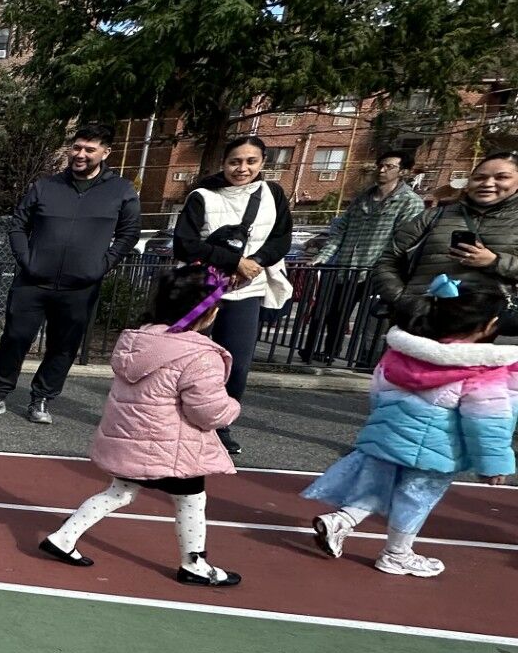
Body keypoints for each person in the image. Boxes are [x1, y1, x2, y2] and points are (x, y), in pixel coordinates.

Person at [37, 264, 243, 588]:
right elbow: (208, 412)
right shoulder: (199, 355)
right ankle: (194, 564)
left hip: (132, 439)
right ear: (207, 314)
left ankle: (64, 536)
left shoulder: (137, 341)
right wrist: (232, 408)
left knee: (119, 492)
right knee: (191, 500)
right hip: (171, 447)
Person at [303, 274, 516, 578]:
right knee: (417, 496)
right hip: (437, 449)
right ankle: (396, 553)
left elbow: (378, 390)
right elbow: (487, 420)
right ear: (487, 325)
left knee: (377, 486)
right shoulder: (483, 369)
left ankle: (342, 519)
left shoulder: (402, 352)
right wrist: (494, 463)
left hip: (387, 433)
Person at [0, 122, 141, 424]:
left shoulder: (121, 190)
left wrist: (101, 265)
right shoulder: (46, 186)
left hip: (80, 286)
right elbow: (18, 224)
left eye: (89, 150)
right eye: (76, 147)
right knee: (14, 337)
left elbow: (129, 233)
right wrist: (26, 260)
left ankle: (41, 398)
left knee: (63, 346)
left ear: (106, 152)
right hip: (33, 281)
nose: (80, 154)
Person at [171, 134, 294, 456]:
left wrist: (256, 263)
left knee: (236, 364)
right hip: (203, 290)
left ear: (262, 163)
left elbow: (281, 239)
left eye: (251, 161)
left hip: (247, 291)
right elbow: (184, 244)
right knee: (192, 360)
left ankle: (220, 423)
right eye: (235, 161)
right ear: (223, 163)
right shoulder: (202, 196)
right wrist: (234, 261)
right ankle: (181, 419)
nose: (242, 168)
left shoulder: (273, 194)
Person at [298, 153, 425, 364]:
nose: (382, 170)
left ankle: (357, 357)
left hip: (375, 270)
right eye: (380, 165)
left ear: (403, 172)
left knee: (367, 319)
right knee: (326, 311)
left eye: (389, 166)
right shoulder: (362, 198)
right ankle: (314, 350)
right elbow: (340, 230)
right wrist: (324, 256)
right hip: (344, 265)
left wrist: (387, 268)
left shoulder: (409, 202)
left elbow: (402, 241)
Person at [372, 152, 518, 323]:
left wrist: (494, 261)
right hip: (420, 320)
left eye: (502, 177)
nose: (487, 183)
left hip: (485, 328)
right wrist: (403, 299)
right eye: (479, 177)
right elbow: (387, 259)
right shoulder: (433, 216)